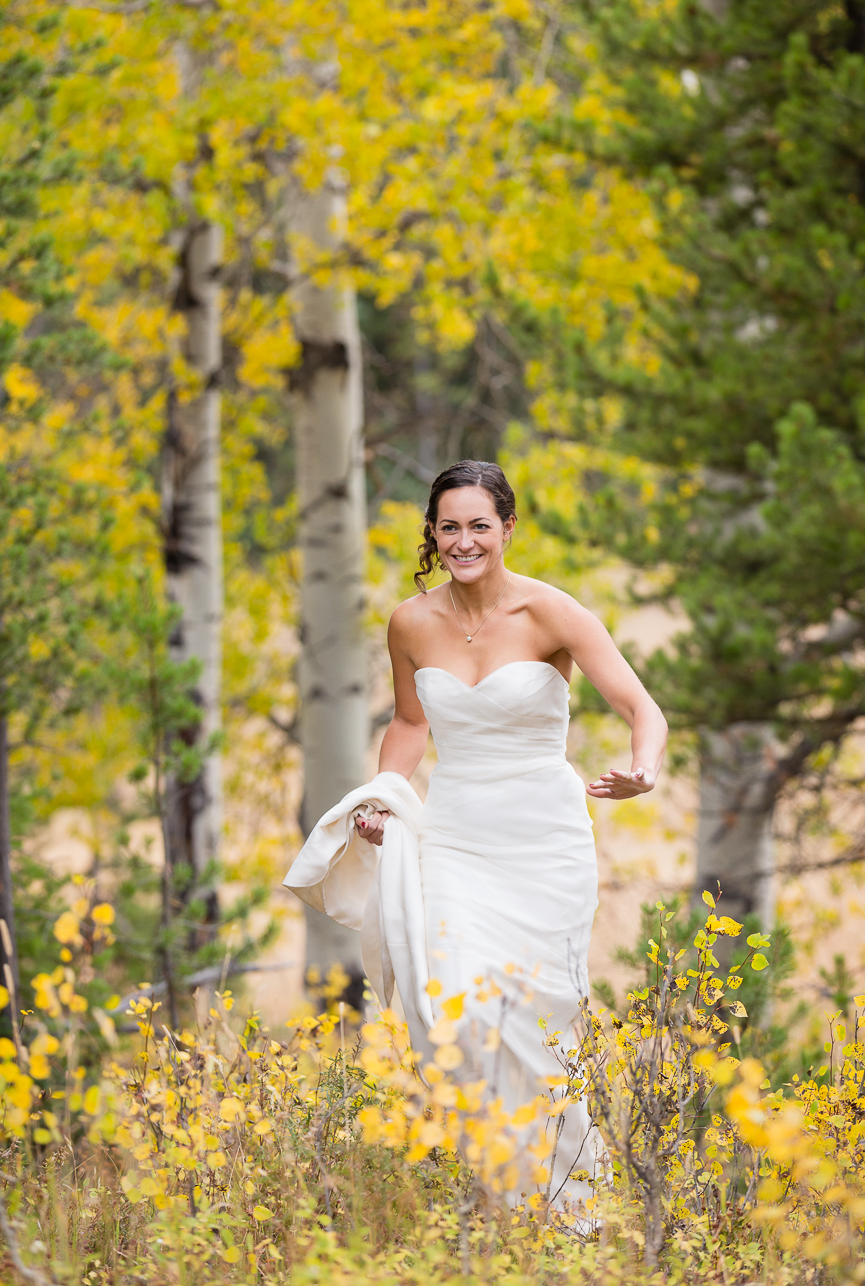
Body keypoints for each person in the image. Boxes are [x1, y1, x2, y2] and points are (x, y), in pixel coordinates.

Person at [285, 459, 668, 1221]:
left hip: (545, 840)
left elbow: (640, 707)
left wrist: (643, 771)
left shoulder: (552, 613)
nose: (464, 541)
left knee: (538, 1021)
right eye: (449, 526)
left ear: (507, 528)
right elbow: (409, 724)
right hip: (457, 837)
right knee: (452, 1008)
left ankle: (567, 1210)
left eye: (479, 526)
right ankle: (496, 1186)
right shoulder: (410, 622)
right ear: (432, 531)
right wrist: (387, 800)